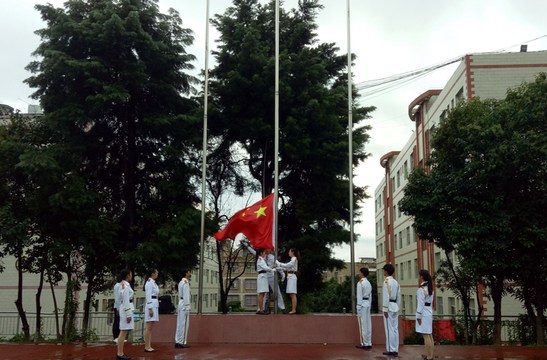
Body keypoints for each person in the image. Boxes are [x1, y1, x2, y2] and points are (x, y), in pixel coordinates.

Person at [241, 239, 286, 313]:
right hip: (264, 276)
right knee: (263, 293)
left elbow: (278, 265)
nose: (267, 250)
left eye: (269, 249)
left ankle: (282, 307)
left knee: (277, 291)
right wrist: (247, 246)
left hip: (271, 276)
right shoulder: (262, 256)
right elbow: (254, 252)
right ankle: (261, 309)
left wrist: (282, 274)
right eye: (266, 249)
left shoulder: (272, 257)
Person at [382, 263, 400, 357]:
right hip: (395, 306)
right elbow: (399, 296)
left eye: (384, 270)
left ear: (386, 271)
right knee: (395, 329)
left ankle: (390, 349)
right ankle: (395, 348)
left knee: (389, 329)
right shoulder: (396, 282)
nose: (383, 272)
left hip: (388, 306)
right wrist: (398, 306)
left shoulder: (386, 281)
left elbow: (385, 296)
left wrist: (385, 309)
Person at [416, 269, 435, 360]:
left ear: (422, 277)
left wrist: (418, 316)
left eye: (419, 275)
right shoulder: (430, 287)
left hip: (423, 312)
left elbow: (420, 303)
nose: (418, 277)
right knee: (429, 335)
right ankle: (430, 355)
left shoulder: (421, 289)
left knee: (426, 335)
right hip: (429, 311)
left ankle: (429, 356)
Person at [116, 269, 134, 360]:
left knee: (124, 332)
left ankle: (120, 352)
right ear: (127, 275)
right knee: (123, 332)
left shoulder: (124, 285)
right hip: (126, 308)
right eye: (130, 274)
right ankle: (120, 353)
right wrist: (128, 314)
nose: (131, 276)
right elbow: (126, 301)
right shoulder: (125, 286)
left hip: (125, 307)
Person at [276, 248, 300, 314]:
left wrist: (279, 264)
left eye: (289, 251)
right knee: (291, 294)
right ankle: (293, 309)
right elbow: (286, 268)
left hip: (292, 276)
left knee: (293, 294)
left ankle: (294, 310)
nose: (288, 253)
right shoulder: (292, 259)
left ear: (293, 252)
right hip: (290, 276)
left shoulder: (294, 258)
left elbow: (288, 265)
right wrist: (278, 267)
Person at [355, 267, 372, 350]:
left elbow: (359, 296)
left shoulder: (360, 283)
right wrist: (370, 304)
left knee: (362, 325)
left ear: (362, 273)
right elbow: (370, 296)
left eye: (359, 272)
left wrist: (358, 307)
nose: (359, 274)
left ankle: (364, 343)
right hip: (367, 304)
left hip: (362, 305)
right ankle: (369, 342)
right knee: (368, 324)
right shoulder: (368, 283)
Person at [255, 248, 277, 314]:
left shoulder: (262, 259)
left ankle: (261, 309)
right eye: (264, 252)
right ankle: (260, 309)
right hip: (262, 276)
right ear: (261, 253)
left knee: (263, 293)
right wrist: (273, 270)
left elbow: (266, 267)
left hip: (263, 276)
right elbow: (266, 268)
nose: (265, 253)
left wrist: (272, 267)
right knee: (261, 294)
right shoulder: (260, 259)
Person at [143, 268, 159, 352]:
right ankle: (147, 346)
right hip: (151, 304)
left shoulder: (153, 282)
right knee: (148, 327)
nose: (157, 274)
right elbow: (148, 295)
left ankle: (148, 345)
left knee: (150, 327)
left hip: (154, 303)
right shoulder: (149, 282)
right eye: (156, 273)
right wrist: (150, 308)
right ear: (152, 274)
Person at [175, 269, 191, 348]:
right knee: (184, 324)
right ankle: (182, 341)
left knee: (179, 323)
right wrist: (187, 306)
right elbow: (186, 295)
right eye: (189, 272)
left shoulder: (181, 282)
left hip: (181, 302)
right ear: (186, 273)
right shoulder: (185, 282)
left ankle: (178, 341)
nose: (190, 273)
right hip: (184, 304)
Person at [112, 274, 122, 344]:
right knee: (117, 322)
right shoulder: (118, 286)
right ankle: (116, 337)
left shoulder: (118, 285)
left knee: (118, 322)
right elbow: (117, 298)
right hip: (118, 306)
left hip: (119, 306)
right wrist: (118, 308)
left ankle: (118, 337)